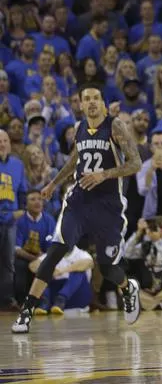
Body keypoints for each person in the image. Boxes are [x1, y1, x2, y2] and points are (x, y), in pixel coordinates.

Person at [12, 84, 143, 334]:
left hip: (107, 206)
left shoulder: (115, 126)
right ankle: (26, 313)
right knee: (55, 251)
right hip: (79, 202)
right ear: (81, 105)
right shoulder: (80, 127)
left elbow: (135, 163)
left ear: (103, 103)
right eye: (87, 99)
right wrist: (54, 183)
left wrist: (104, 174)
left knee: (106, 267)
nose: (92, 102)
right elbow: (74, 160)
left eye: (96, 98)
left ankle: (128, 288)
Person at [123, 216, 162, 311]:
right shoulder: (146, 246)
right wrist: (138, 233)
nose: (149, 232)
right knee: (124, 285)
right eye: (147, 229)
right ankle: (160, 304)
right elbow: (126, 253)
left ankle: (149, 304)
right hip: (148, 290)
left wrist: (158, 242)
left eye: (152, 229)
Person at [0, 129, 27, 310]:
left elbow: (22, 192)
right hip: (4, 216)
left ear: (10, 144)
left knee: (8, 263)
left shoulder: (18, 165)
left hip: (10, 222)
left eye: (5, 141)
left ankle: (8, 299)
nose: (2, 144)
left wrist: (21, 210)